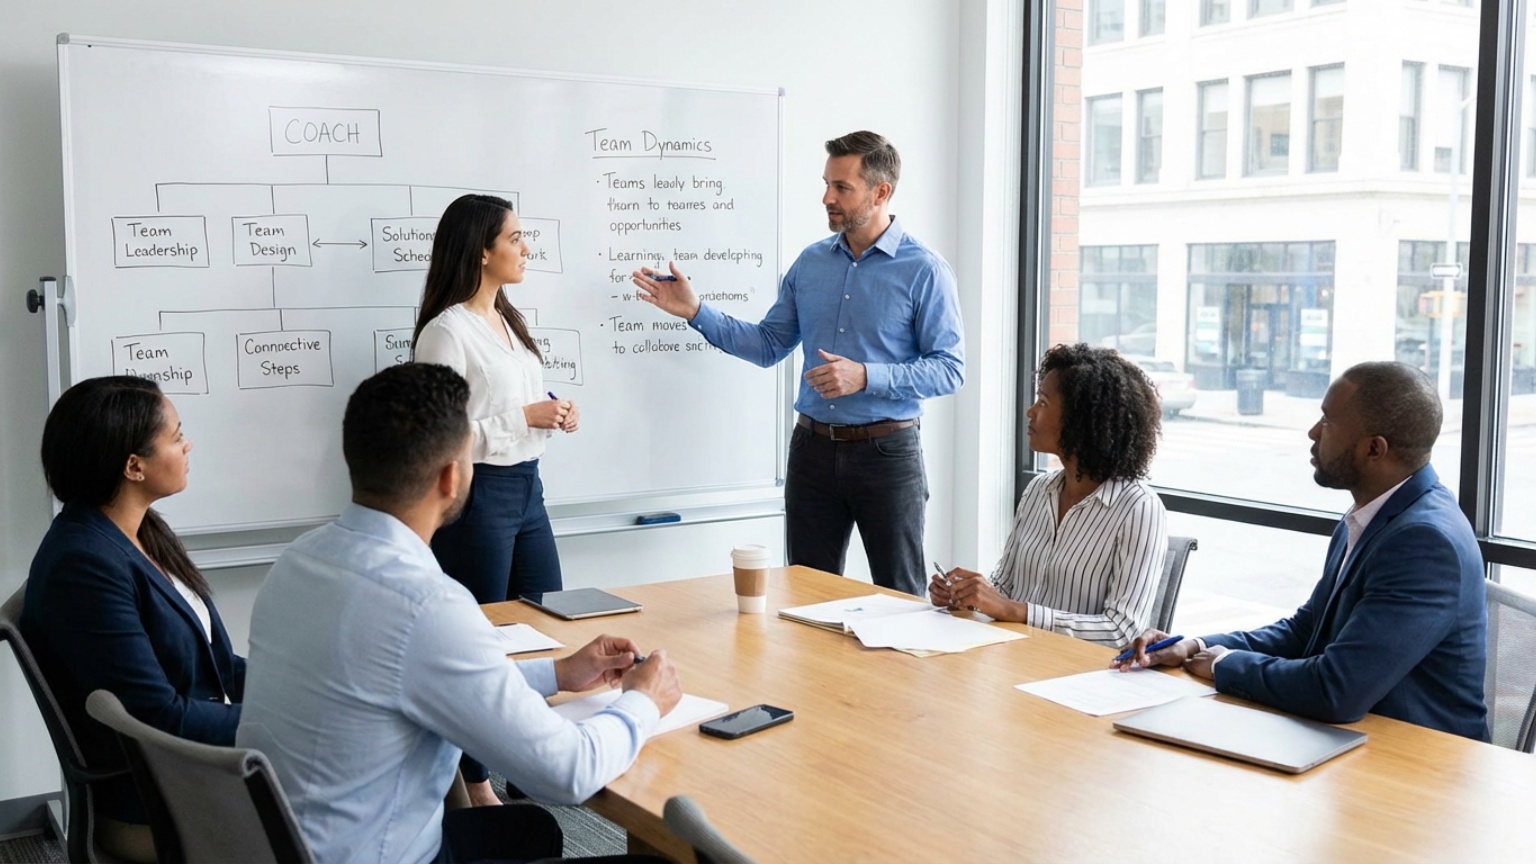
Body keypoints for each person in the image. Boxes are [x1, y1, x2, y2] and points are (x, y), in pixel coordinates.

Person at [236, 363, 681, 863]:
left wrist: (557, 673)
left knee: (527, 830)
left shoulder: (298, 561)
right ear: (452, 476)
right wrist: (644, 700)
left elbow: (417, 677)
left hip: (290, 845)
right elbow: (566, 773)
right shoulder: (425, 604)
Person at [632, 130, 964, 597]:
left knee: (900, 595)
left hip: (887, 455)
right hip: (812, 452)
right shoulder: (810, 263)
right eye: (827, 184)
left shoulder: (923, 270)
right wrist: (695, 311)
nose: (827, 198)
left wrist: (865, 376)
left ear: (881, 192)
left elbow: (949, 368)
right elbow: (769, 344)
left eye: (842, 187)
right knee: (807, 597)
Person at [1116, 361, 1488, 741]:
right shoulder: (1371, 515)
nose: (1313, 432)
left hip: (1420, 759)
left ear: (1374, 449)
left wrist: (1224, 665)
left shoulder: (1424, 542)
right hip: (1359, 739)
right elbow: (1306, 630)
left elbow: (1336, 690)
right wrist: (1197, 645)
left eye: (1327, 421)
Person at [22, 376, 244, 863]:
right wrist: (279, 724)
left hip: (199, 768)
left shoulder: (141, 531)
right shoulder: (84, 565)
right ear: (134, 466)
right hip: (161, 802)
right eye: (176, 436)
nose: (188, 445)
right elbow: (156, 715)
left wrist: (301, 694)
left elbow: (216, 663)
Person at [412, 193, 580, 803]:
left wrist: (552, 410)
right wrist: (522, 417)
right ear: (482, 251)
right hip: (477, 495)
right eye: (515, 238)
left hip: (528, 488)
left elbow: (507, 402)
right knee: (479, 641)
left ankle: (528, 764)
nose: (526, 248)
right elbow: (440, 434)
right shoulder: (445, 332)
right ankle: (474, 779)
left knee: (546, 622)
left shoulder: (508, 320)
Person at [929, 344, 1166, 647]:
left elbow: (1122, 630)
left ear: (1080, 420)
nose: (1030, 411)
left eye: (1042, 402)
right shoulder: (1038, 490)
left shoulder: (1139, 509)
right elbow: (1005, 586)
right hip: (1014, 653)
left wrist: (1017, 611)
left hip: (1074, 669)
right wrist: (966, 595)